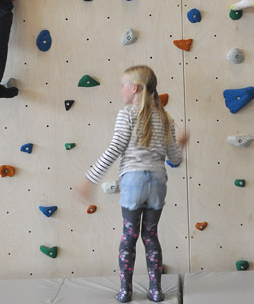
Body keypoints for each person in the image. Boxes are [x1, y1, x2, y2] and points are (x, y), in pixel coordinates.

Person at [78, 66, 188, 303]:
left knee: (129, 236)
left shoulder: (126, 113)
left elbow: (115, 148)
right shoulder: (165, 117)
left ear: (135, 88)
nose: (121, 90)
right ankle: (156, 290)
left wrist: (90, 179)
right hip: (158, 182)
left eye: (123, 85)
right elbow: (175, 159)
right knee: (150, 236)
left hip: (133, 182)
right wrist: (181, 144)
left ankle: (126, 291)